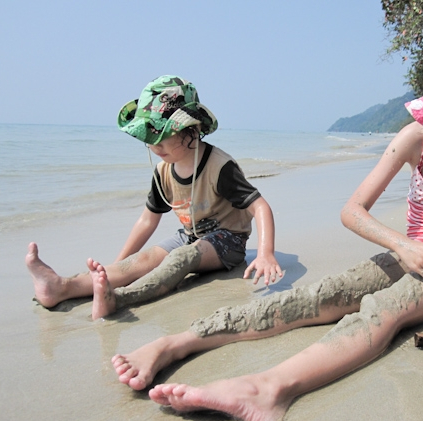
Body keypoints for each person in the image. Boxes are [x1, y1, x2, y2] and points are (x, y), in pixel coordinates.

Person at [110, 52, 423, 421]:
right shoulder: (416, 138)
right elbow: (353, 211)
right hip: (410, 252)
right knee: (320, 295)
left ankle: (269, 388)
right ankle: (177, 343)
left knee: (387, 308)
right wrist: (404, 245)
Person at [26, 76, 282, 320]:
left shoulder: (219, 167)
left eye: (162, 135)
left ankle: (120, 299)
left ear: (192, 129)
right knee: (142, 260)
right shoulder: (163, 171)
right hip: (189, 236)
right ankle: (61, 287)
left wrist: (265, 254)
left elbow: (260, 207)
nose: (154, 146)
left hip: (228, 241)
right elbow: (147, 221)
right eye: (150, 137)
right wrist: (117, 268)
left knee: (180, 259)